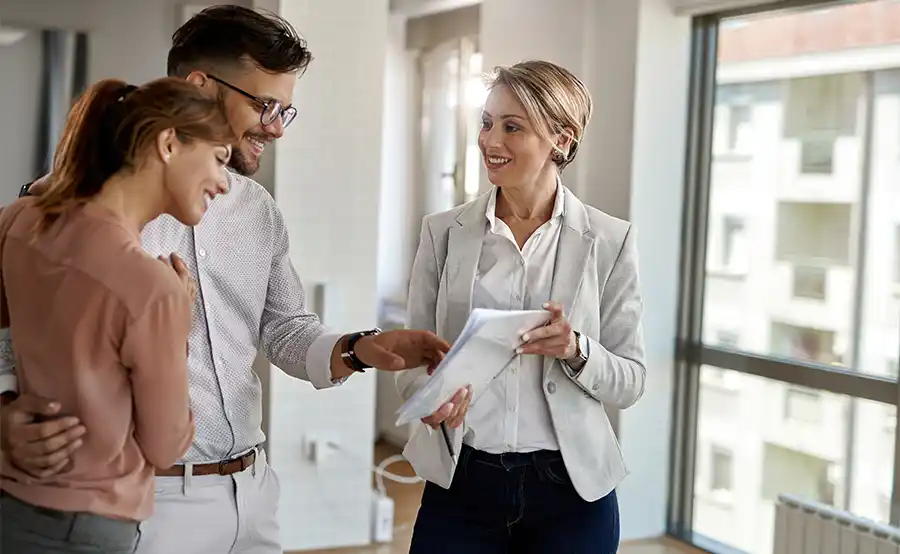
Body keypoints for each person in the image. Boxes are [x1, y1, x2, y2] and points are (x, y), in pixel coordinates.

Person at [0, 6, 450, 554]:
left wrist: (365, 348)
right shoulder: (68, 206)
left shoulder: (257, 210)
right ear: (200, 87)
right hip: (147, 504)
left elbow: (285, 330)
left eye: (286, 110)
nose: (277, 127)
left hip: (252, 492)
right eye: (264, 105)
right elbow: (13, 328)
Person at [396, 60, 648, 554]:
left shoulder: (611, 241)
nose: (491, 141)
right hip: (462, 482)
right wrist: (431, 398)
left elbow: (631, 380)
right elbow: (412, 358)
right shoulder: (442, 233)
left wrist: (576, 350)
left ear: (561, 139)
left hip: (571, 492)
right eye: (487, 122)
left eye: (513, 127)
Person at [0, 76, 236, 553]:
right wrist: (178, 324)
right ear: (169, 143)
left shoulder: (17, 221)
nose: (225, 183)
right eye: (219, 158)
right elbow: (165, 447)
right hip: (88, 531)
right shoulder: (154, 289)